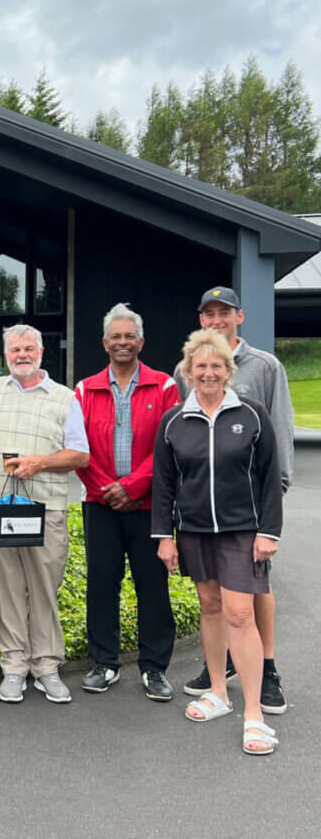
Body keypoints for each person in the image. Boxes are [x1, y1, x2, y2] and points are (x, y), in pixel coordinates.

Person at [153, 329, 282, 755]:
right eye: (200, 366)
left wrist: (269, 531)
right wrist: (164, 537)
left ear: (228, 371)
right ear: (188, 372)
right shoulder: (174, 421)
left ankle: (254, 714)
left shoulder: (252, 414)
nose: (208, 373)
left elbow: (269, 476)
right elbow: (164, 485)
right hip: (193, 531)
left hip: (242, 531)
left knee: (240, 615)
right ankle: (218, 693)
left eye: (216, 366)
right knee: (210, 608)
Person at [173, 287, 293, 715]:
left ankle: (267, 669)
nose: (217, 319)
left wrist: (274, 501)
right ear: (201, 319)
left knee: (255, 590)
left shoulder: (264, 365)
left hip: (249, 505)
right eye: (209, 313)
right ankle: (220, 667)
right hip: (203, 510)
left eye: (224, 312)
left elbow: (279, 429)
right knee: (215, 598)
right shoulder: (185, 367)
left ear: (239, 316)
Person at [0, 325, 89, 704]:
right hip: (1, 509)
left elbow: (80, 455)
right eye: (15, 350)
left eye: (28, 348)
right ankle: (14, 666)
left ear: (41, 352)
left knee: (45, 590)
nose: (22, 355)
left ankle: (47, 667)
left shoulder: (64, 398)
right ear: (6, 355)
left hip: (46, 510)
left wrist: (40, 463)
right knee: (9, 590)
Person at [75, 304, 179, 701]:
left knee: (152, 586)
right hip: (100, 503)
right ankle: (104, 662)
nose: (122, 342)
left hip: (149, 505)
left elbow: (169, 447)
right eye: (115, 337)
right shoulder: (84, 389)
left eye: (129, 336)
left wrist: (133, 487)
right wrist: (108, 489)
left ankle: (154, 668)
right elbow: (78, 447)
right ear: (104, 343)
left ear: (141, 342)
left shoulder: (164, 386)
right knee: (102, 583)